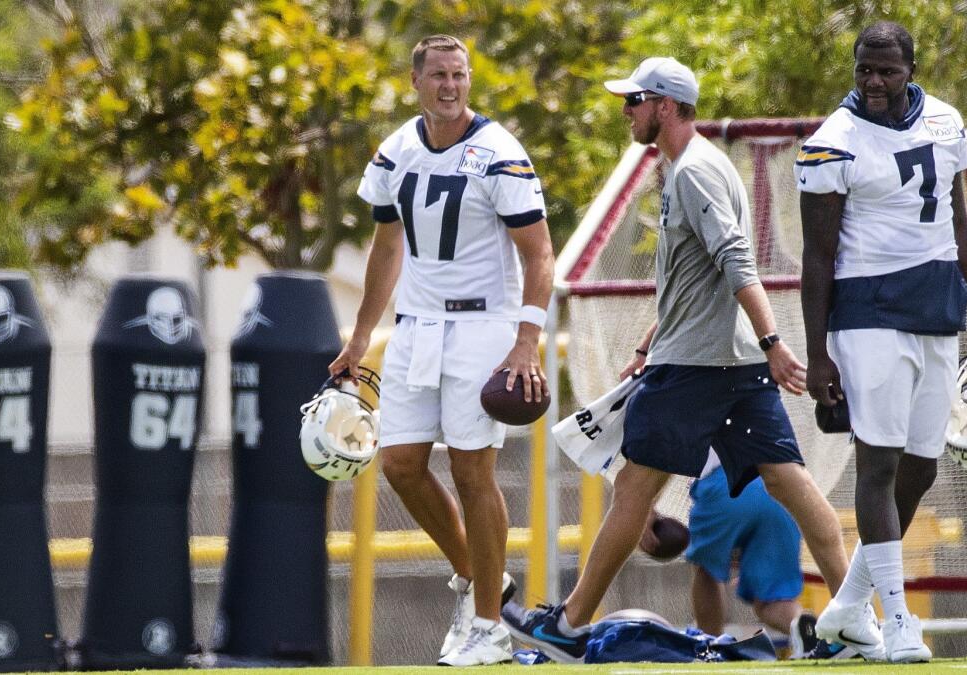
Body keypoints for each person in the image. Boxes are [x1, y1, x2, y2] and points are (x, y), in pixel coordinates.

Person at [501, 56, 850, 664]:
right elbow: (698, 277)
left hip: (698, 369)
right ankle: (857, 621)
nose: (625, 110)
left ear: (665, 105)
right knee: (790, 483)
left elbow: (737, 262)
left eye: (634, 99)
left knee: (634, 491)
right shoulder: (695, 168)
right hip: (726, 363)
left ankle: (569, 623)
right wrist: (647, 340)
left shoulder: (692, 173)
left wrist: (773, 344)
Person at [798, 21, 967, 664]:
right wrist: (817, 353)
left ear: (910, 69)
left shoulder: (947, 123)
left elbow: (960, 226)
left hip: (938, 308)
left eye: (887, 71)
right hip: (868, 312)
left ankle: (844, 610)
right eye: (864, 69)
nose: (873, 82)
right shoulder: (831, 143)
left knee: (922, 465)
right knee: (881, 465)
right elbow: (818, 258)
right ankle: (896, 620)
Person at [330, 34, 555, 667]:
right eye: (439, 75)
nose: (450, 86)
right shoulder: (397, 150)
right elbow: (385, 249)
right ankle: (481, 579)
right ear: (416, 82)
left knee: (471, 470)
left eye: (459, 74)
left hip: (483, 329)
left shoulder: (499, 152)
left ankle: (488, 624)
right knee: (398, 464)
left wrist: (526, 343)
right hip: (415, 327)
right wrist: (359, 337)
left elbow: (539, 255)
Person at [661, 454, 819, 658]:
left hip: (724, 482)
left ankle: (710, 647)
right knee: (771, 601)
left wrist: (648, 513)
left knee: (706, 570)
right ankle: (800, 625)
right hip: (779, 487)